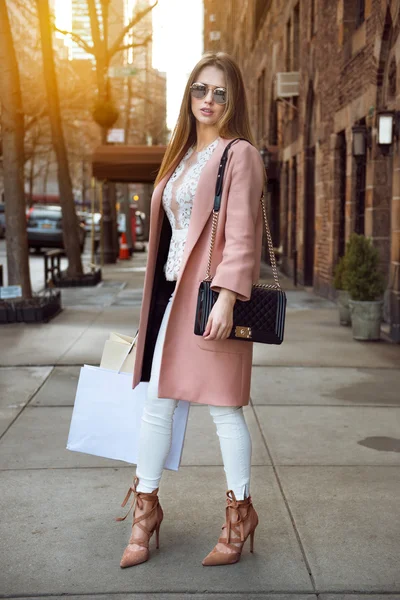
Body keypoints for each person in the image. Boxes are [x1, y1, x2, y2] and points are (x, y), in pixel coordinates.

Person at [117, 51, 265, 568]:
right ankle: (145, 512)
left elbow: (243, 232)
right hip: (170, 300)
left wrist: (228, 296)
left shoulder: (239, 153)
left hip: (209, 301)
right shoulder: (178, 158)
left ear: (233, 100)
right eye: (200, 89)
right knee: (159, 405)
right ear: (189, 95)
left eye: (220, 92)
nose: (208, 100)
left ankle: (239, 513)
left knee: (224, 409)